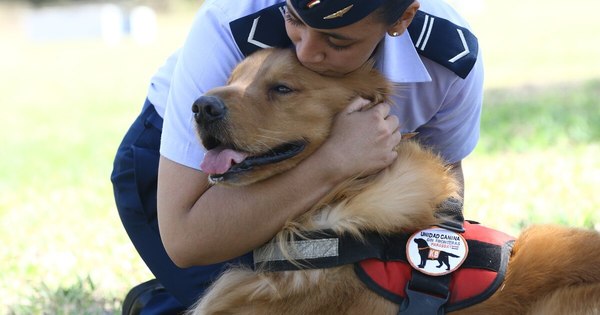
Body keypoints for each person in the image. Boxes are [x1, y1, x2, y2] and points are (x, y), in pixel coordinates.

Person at [111, 0, 484, 313]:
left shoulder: (449, 56)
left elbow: (445, 183)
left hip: (340, 191)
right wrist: (335, 161)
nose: (306, 51)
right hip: (182, 174)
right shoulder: (229, 20)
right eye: (294, 19)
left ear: (402, 19)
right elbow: (187, 240)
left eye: (336, 40)